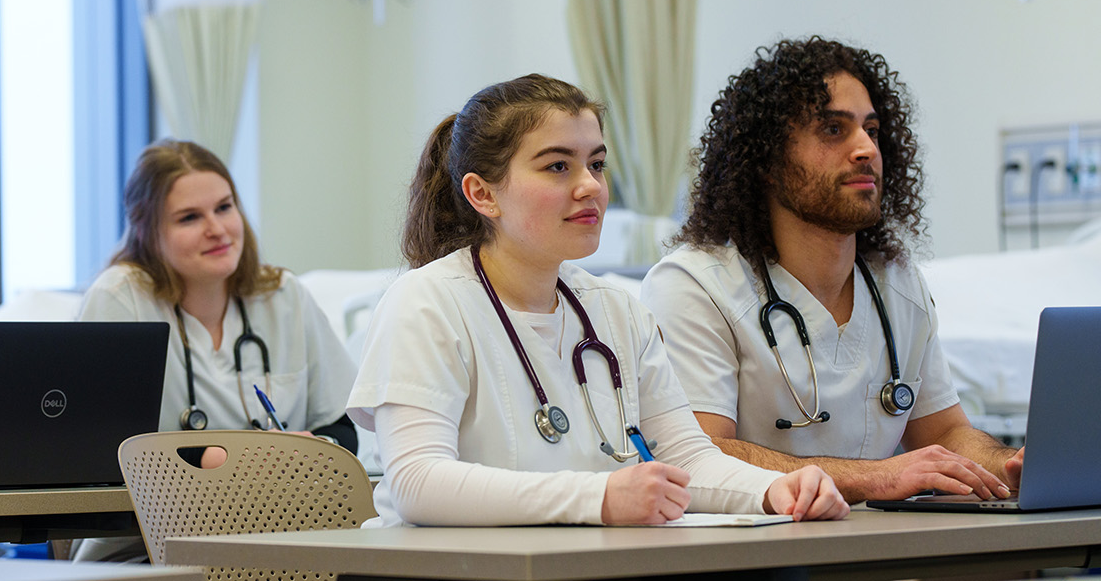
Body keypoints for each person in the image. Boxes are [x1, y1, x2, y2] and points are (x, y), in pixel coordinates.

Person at [346, 74, 848, 527]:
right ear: (483, 195)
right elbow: (419, 484)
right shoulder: (426, 303)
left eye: (597, 164)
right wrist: (599, 497)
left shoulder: (617, 311)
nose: (590, 186)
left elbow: (686, 459)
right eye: (558, 166)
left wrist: (776, 489)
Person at [641, 37, 1024, 504]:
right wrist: (879, 476)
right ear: (767, 161)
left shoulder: (895, 283)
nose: (865, 148)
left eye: (872, 129)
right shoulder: (695, 286)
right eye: (832, 130)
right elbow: (700, 455)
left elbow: (944, 432)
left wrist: (1011, 465)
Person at [74, 139, 358, 561]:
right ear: (146, 229)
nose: (217, 229)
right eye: (189, 217)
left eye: (225, 207)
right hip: (145, 549)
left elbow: (345, 428)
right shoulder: (121, 299)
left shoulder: (284, 296)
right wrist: (216, 459)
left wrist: (309, 450)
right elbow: (93, 450)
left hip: (280, 538)